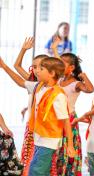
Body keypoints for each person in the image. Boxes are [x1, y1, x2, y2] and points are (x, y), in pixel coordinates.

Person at [0, 57, 76, 175]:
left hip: (49, 141)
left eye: (41, 68)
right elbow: (20, 82)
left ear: (51, 73)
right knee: (41, 171)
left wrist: (70, 145)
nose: (37, 71)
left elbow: (66, 121)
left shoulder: (58, 95)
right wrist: (4, 66)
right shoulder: (39, 86)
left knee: (35, 171)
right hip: (39, 138)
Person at [51, 43, 94, 175]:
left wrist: (84, 76)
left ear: (71, 68)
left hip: (69, 120)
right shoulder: (58, 80)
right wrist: (54, 49)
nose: (59, 66)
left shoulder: (76, 83)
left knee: (67, 148)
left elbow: (90, 89)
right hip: (56, 120)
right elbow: (60, 62)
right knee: (57, 149)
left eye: (62, 64)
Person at [13, 37, 48, 176]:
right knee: (28, 157)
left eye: (40, 67)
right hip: (31, 125)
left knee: (40, 160)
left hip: (44, 128)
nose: (36, 69)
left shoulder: (47, 85)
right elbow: (16, 66)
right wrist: (23, 49)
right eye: (34, 66)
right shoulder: (32, 81)